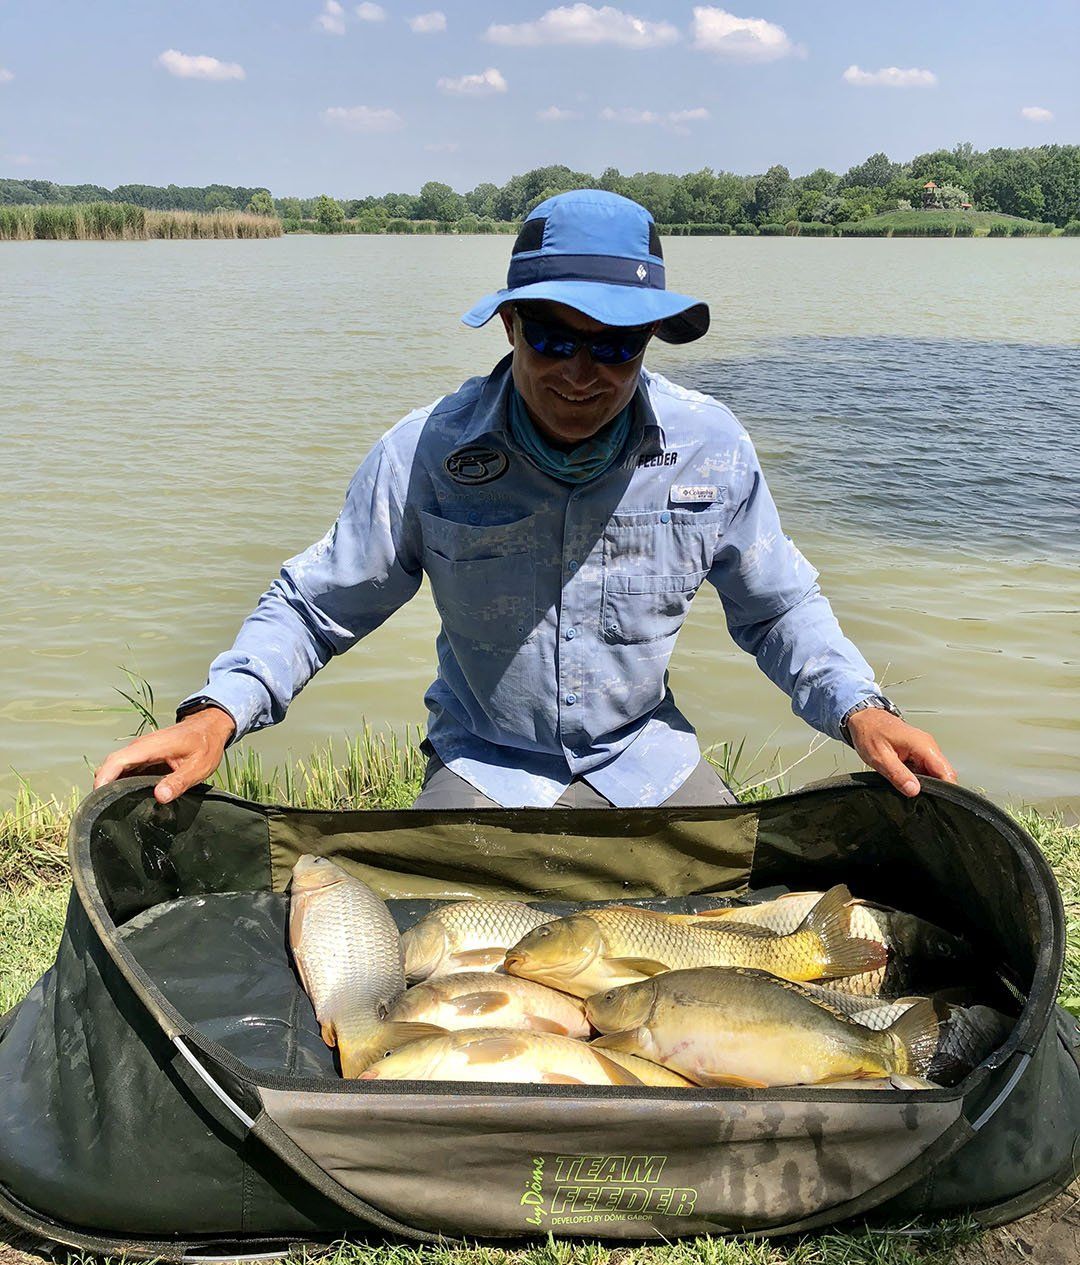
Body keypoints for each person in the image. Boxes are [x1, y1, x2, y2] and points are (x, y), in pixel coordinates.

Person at [95, 189, 956, 809]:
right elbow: (317, 605)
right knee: (432, 976)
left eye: (615, 346)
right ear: (509, 327)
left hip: (646, 765)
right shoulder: (430, 449)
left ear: (649, 342)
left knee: (720, 957)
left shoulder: (711, 448)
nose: (583, 374)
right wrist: (215, 716)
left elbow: (777, 610)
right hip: (484, 769)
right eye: (553, 337)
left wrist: (859, 708)